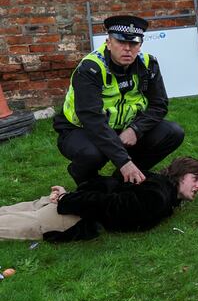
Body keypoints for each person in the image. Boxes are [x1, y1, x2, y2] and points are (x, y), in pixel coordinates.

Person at [53, 15, 185, 186]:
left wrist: (136, 129)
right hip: (81, 129)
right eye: (121, 42)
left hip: (124, 127)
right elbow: (92, 118)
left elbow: (159, 105)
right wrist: (123, 161)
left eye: (133, 44)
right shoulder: (90, 69)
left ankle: (123, 180)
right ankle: (85, 178)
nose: (127, 49)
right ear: (108, 42)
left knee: (173, 132)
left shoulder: (148, 64)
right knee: (92, 154)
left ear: (140, 45)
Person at [0, 156, 198, 242]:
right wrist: (66, 199)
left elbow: (115, 183)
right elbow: (110, 205)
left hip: (69, 205)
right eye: (196, 179)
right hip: (68, 217)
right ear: (179, 174)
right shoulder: (158, 195)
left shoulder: (158, 184)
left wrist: (71, 196)